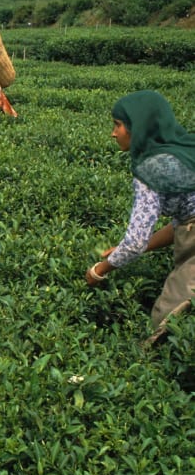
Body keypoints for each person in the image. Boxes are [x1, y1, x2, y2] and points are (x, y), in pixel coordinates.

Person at [85, 90, 195, 340]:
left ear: (138, 126)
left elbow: (134, 242)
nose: (113, 133)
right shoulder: (185, 149)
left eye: (118, 125)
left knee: (166, 321)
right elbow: (184, 221)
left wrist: (98, 270)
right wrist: (133, 248)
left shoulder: (152, 171)